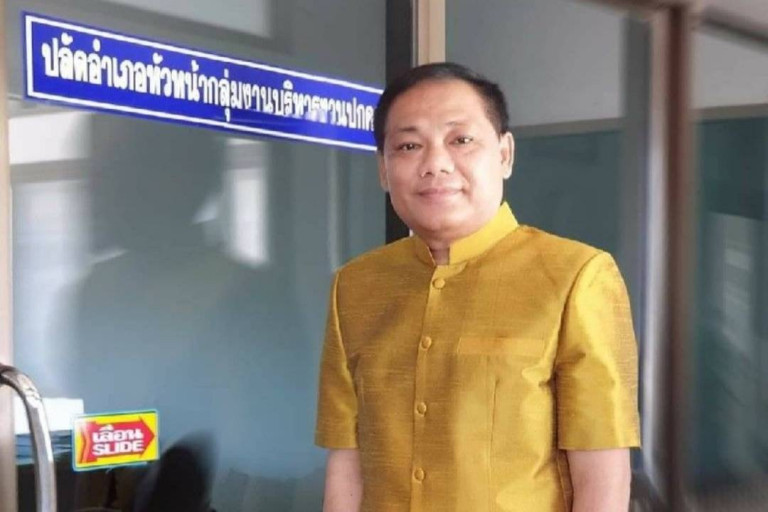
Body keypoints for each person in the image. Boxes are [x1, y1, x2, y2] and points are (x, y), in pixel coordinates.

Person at [315, 62, 640, 512]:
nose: (435, 164)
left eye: (461, 140)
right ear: (384, 170)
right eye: (408, 146)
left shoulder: (577, 276)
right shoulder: (353, 287)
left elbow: (602, 476)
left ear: (505, 154)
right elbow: (346, 463)